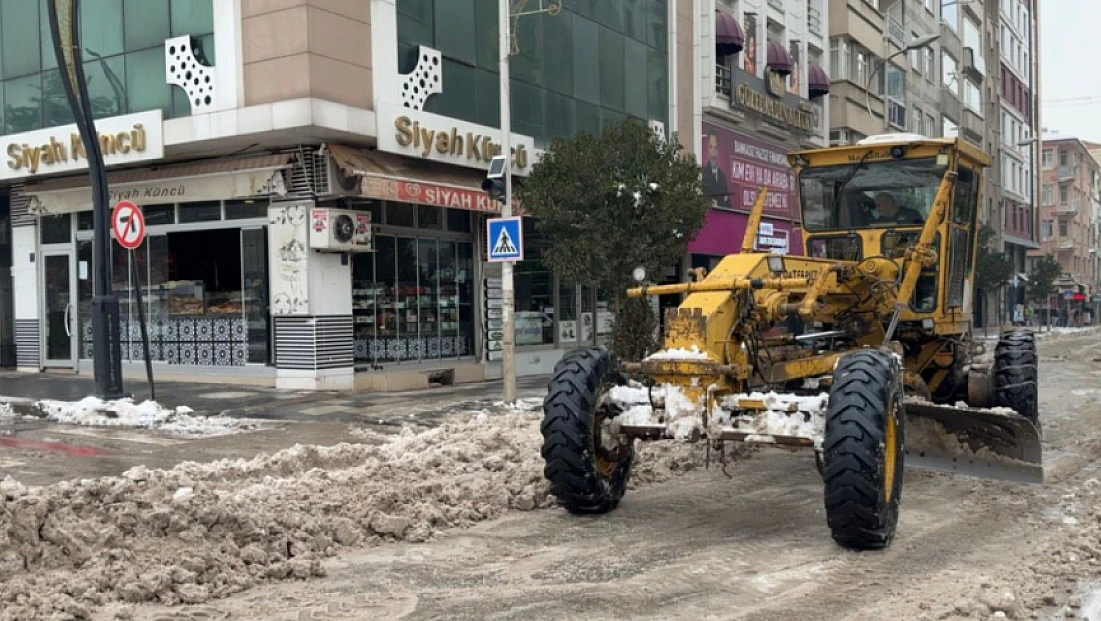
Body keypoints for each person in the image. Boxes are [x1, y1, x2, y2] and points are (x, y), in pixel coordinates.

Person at [702, 130, 730, 208]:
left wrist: (719, 204)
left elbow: (728, 204)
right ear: (707, 148)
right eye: (710, 147)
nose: (713, 152)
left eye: (715, 148)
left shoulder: (722, 176)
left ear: (718, 150)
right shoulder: (702, 173)